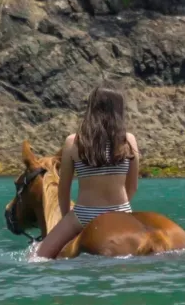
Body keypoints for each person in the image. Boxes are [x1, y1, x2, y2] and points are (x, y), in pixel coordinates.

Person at [36, 85, 140, 258]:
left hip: (84, 214)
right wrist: (116, 209)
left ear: (92, 109)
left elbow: (64, 190)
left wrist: (66, 218)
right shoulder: (128, 140)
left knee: (38, 257)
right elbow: (133, 187)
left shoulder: (74, 142)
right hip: (121, 211)